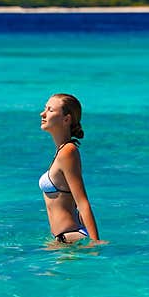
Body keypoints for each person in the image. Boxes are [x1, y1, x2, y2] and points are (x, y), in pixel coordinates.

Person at [39, 93, 107, 245]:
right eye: (45, 109)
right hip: (64, 240)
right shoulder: (62, 151)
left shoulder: (68, 152)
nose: (42, 114)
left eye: (50, 110)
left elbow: (82, 202)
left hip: (70, 239)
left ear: (66, 119)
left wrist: (95, 243)